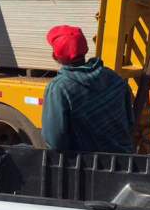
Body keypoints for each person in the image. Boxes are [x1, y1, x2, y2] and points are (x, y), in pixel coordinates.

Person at [40, 25, 135, 153]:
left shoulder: (60, 88)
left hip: (90, 167)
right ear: (86, 49)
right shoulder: (113, 76)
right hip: (125, 161)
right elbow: (130, 121)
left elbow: (55, 142)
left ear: (55, 56)